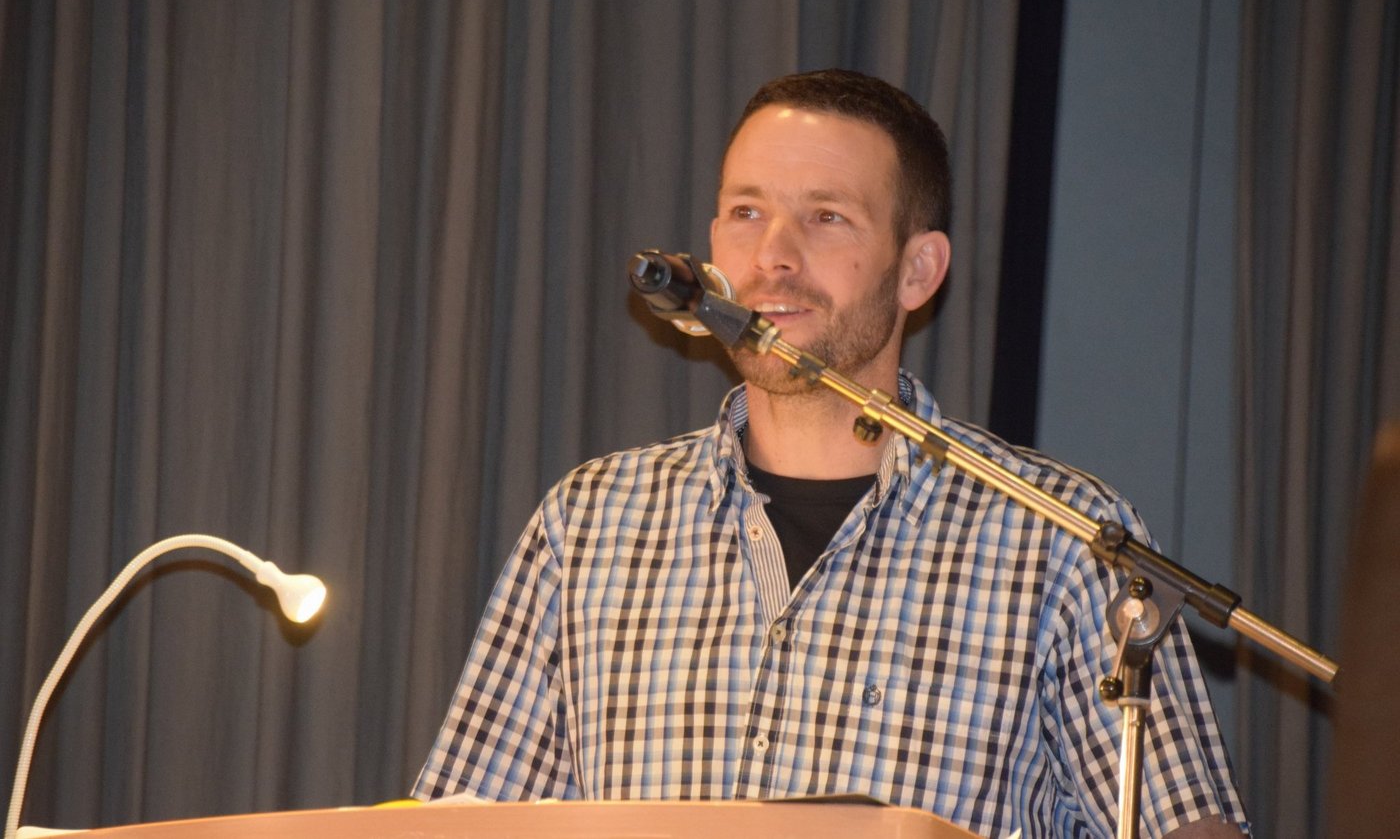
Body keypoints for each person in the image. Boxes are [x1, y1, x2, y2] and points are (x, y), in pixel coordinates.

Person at [413, 69, 1248, 838]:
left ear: (917, 269)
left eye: (826, 217)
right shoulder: (590, 523)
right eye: (747, 213)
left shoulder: (1064, 538)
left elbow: (1185, 826)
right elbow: (455, 822)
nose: (773, 255)